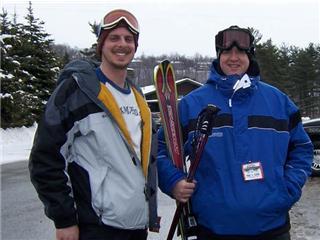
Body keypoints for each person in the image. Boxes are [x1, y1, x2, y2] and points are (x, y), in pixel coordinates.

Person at [157, 25, 313, 240]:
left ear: (250, 56)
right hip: (213, 229)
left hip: (272, 228)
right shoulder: (193, 105)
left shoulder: (278, 102)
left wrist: (287, 189)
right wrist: (173, 181)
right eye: (226, 52)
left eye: (240, 52)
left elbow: (302, 149)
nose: (233, 58)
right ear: (218, 56)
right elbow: (160, 149)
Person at [29, 9, 159, 240]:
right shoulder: (78, 91)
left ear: (135, 46)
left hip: (136, 228)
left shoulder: (139, 99)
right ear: (101, 45)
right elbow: (45, 157)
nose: (122, 44)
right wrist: (64, 219)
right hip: (97, 227)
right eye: (114, 38)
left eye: (129, 39)